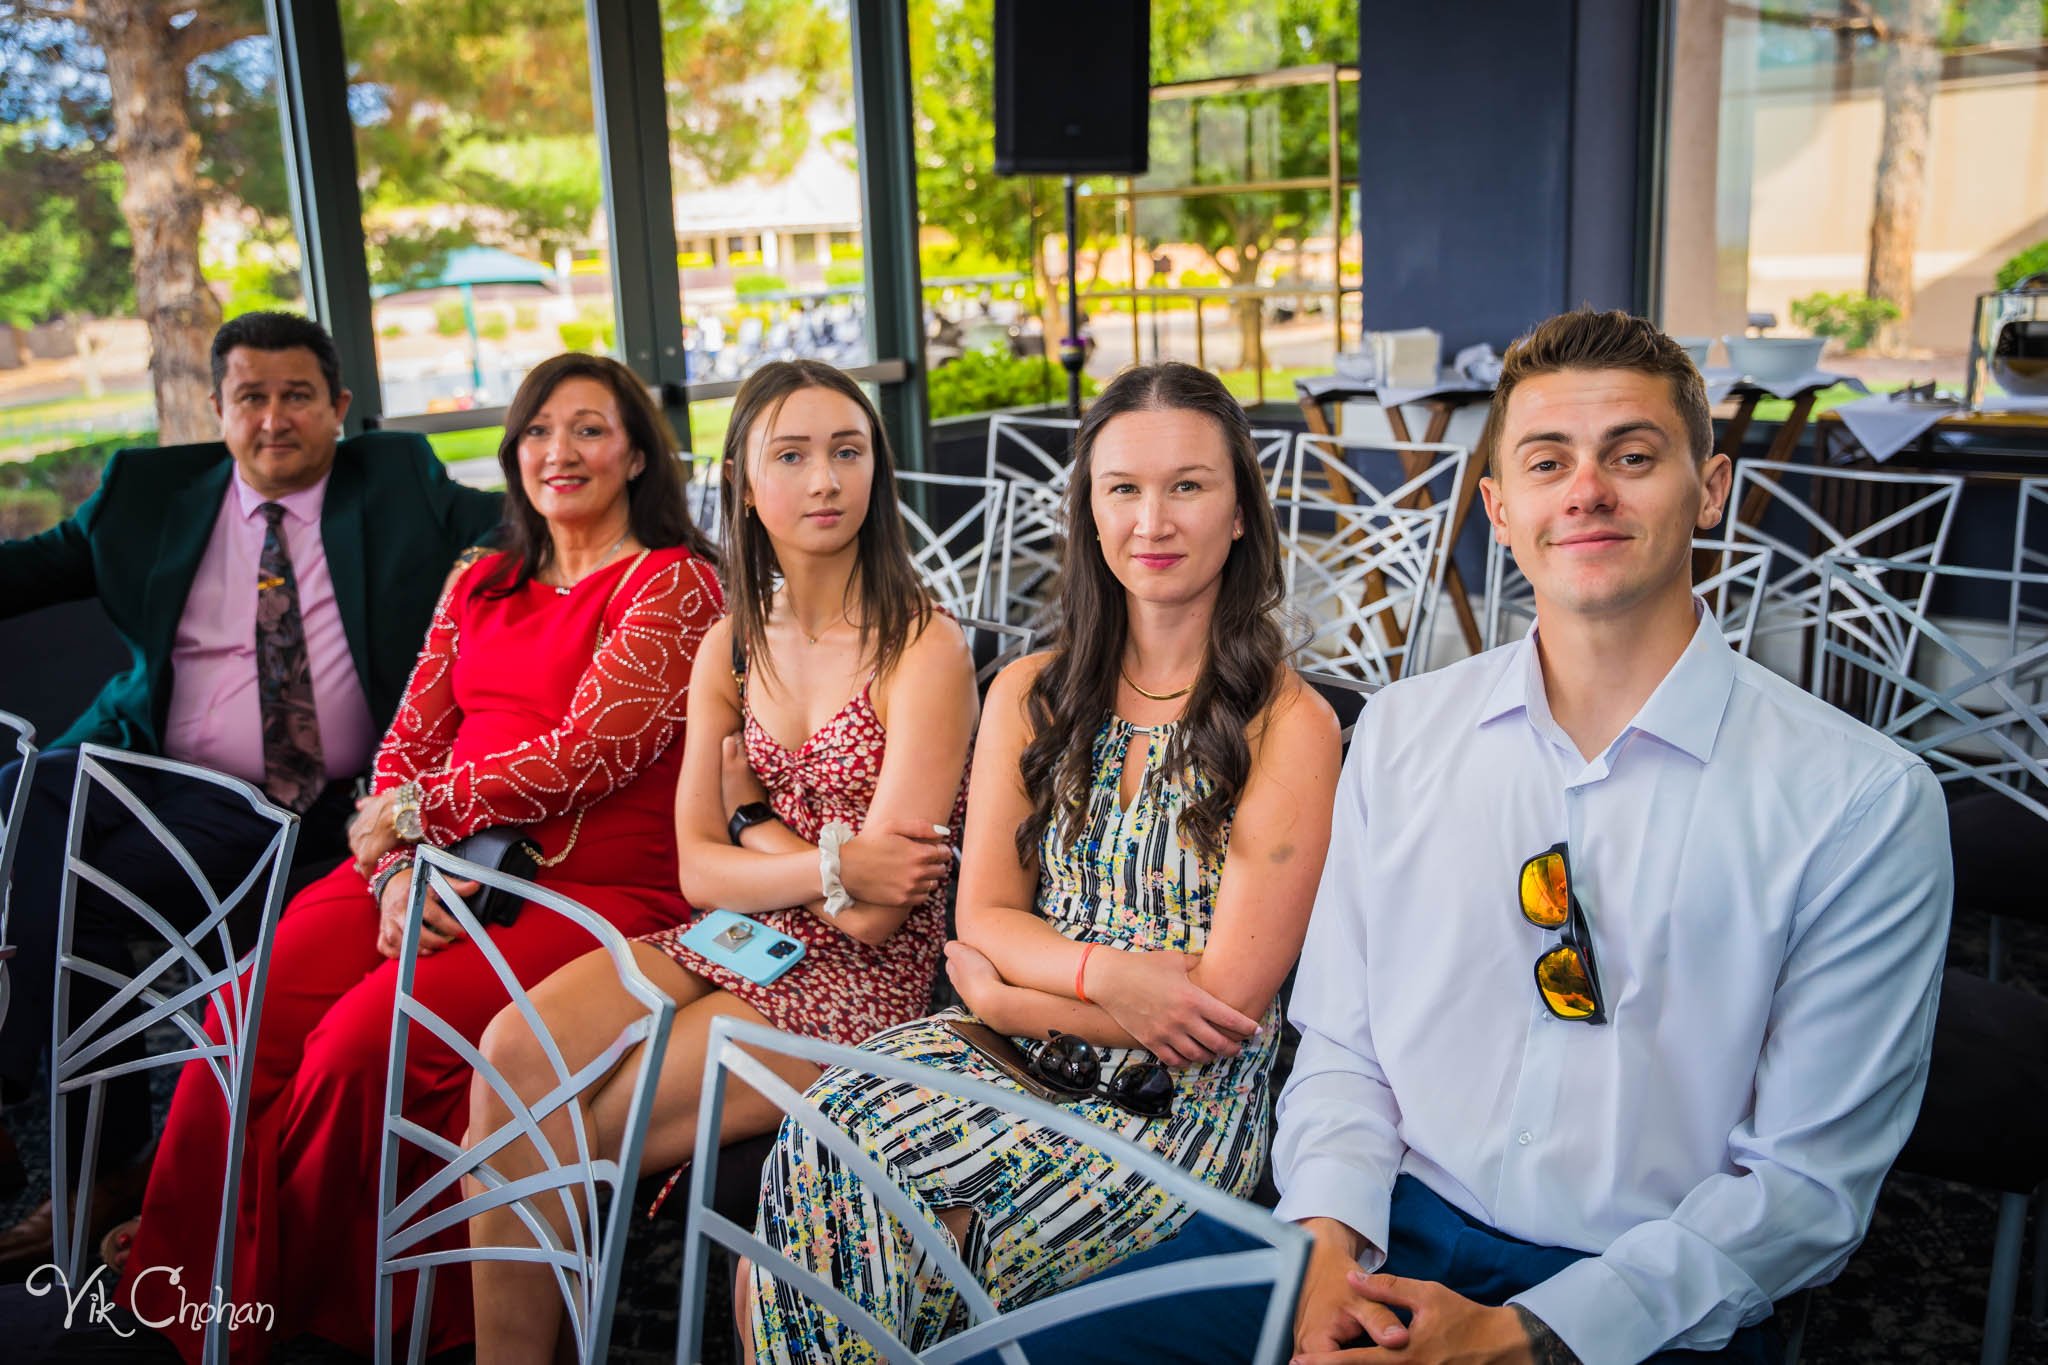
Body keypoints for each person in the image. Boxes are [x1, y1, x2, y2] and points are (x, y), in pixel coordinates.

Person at [1275, 310, 1952, 1365]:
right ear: (1497, 508)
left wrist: (1534, 1335)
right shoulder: (1401, 733)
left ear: (1709, 488)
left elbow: (1803, 1189)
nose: (1585, 489)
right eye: (1547, 462)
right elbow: (1340, 1043)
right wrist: (1323, 1236)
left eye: (1631, 456)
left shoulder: (1859, 802)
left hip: (1654, 1296)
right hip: (1390, 1235)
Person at [97, 352, 723, 1364]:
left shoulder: (674, 584)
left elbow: (588, 752)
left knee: (362, 1047)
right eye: (536, 431)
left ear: (639, 455)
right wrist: (397, 868)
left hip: (587, 887)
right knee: (242, 1011)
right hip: (434, 858)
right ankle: (199, 1253)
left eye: (590, 429)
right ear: (513, 452)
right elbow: (408, 734)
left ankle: (294, 1284)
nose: (558, 452)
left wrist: (406, 815)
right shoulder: (481, 577)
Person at [741, 361, 1342, 1363]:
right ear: (1089, 513)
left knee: (918, 1241)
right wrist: (1096, 976)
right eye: (1123, 489)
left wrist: (1011, 994)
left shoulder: (1287, 723)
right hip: (1007, 1051)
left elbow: (1214, 1010)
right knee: (823, 1134)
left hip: (1166, 1113)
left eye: (1187, 486)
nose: (1151, 521)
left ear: (1239, 514)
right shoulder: (1030, 692)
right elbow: (982, 917)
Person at [465, 358, 978, 1363]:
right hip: (733, 933)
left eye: (847, 451)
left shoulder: (923, 646)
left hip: (860, 986)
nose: (825, 481)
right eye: (791, 456)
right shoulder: (731, 642)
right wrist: (815, 856)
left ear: (877, 470)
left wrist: (757, 825)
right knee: (508, 1060)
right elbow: (698, 870)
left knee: (576, 1128)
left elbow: (878, 916)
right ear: (743, 482)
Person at [0, 312, 503, 1276]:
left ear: (340, 408)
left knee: (64, 894)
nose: (275, 418)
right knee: (32, 795)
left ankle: (83, 1159)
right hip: (156, 786)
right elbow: (29, 570)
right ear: (217, 408)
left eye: (298, 395)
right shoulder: (144, 496)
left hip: (315, 815)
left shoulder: (397, 481)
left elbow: (534, 531)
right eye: (251, 397)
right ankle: (96, 1165)